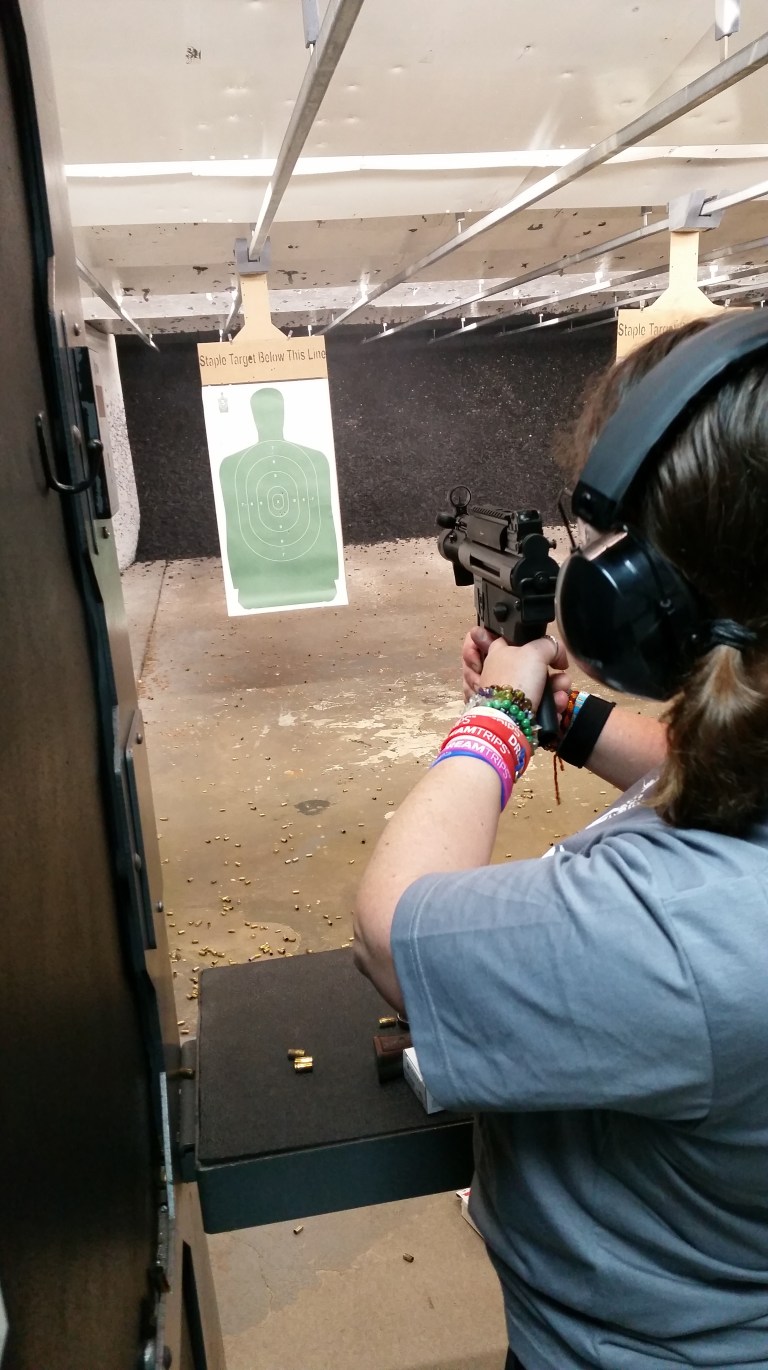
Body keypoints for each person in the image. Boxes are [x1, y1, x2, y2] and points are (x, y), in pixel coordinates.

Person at [353, 314, 768, 1369]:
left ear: (649, 594)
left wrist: (496, 717)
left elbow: (392, 927)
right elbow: (724, 771)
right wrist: (565, 719)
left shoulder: (680, 927)